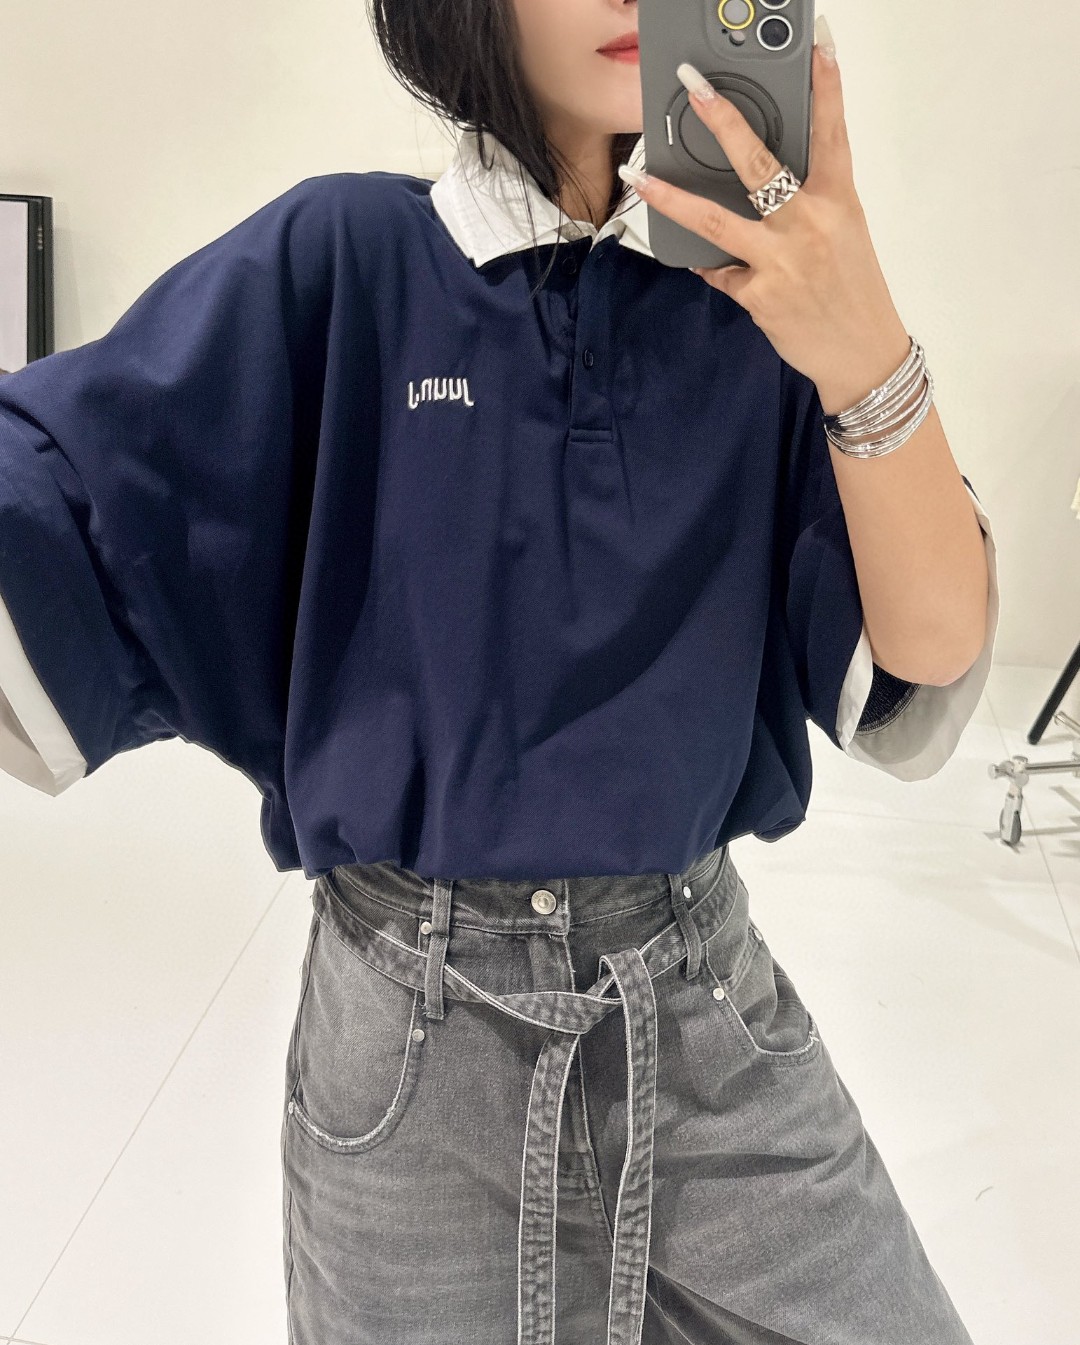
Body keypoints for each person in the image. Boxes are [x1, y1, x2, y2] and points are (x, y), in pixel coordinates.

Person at [0, 2, 997, 1342]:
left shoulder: (756, 303)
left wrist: (862, 338)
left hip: (704, 1011)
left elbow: (929, 654)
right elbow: (67, 493)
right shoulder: (347, 252)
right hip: (414, 1049)